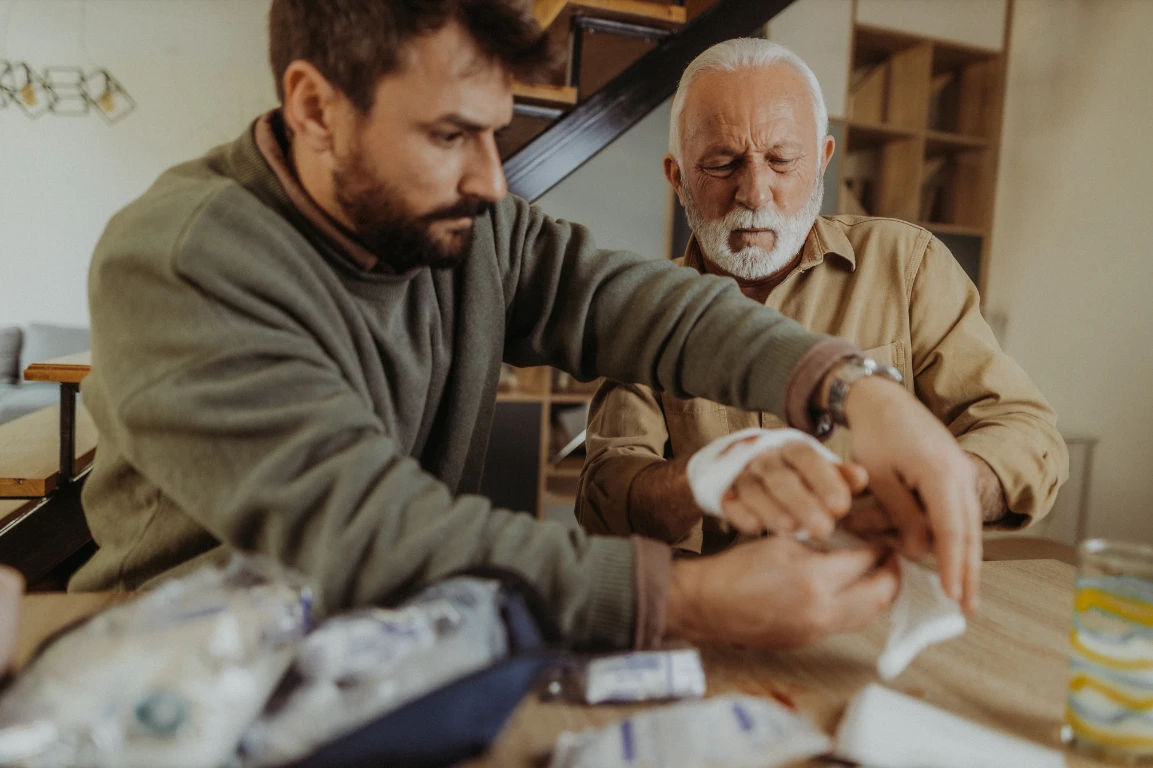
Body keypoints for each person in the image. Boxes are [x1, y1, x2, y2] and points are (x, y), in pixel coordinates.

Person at [73, 1, 983, 653]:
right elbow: (372, 536)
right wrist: (686, 597)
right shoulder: (183, 260)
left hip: (387, 660)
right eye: (447, 135)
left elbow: (636, 303)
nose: (491, 181)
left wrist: (850, 387)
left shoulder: (468, 223)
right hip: (177, 691)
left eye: (495, 134)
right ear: (316, 107)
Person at [577, 39, 1068, 569]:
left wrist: (959, 483)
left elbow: (1027, 432)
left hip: (880, 599)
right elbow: (606, 493)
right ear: (677, 177)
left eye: (783, 160)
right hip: (719, 609)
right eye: (722, 164)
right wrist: (706, 478)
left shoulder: (906, 266)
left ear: (823, 160)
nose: (756, 193)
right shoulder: (649, 308)